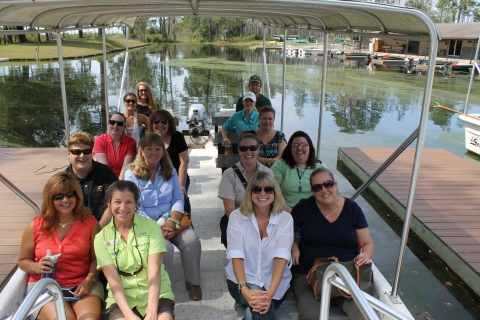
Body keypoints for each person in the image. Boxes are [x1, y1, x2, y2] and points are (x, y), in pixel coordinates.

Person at [123, 132, 202, 301]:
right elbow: (136, 207)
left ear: (162, 151)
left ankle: (193, 282)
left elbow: (178, 199)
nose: (154, 152)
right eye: (149, 148)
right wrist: (156, 228)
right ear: (141, 151)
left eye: (158, 148)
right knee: (166, 248)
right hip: (147, 224)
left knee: (192, 241)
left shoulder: (170, 170)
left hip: (172, 220)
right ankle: (162, 288)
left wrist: (172, 222)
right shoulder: (131, 174)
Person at [291, 167, 374, 320]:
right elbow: (286, 231)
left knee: (364, 315)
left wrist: (365, 256)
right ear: (312, 190)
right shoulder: (303, 207)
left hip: (346, 273)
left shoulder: (352, 209)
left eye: (328, 184)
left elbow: (367, 243)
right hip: (309, 273)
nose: (324, 190)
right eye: (318, 187)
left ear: (335, 184)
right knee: (311, 316)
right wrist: (293, 245)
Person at [18, 172, 102, 320]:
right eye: (58, 196)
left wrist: (89, 280)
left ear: (77, 196)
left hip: (81, 283)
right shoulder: (36, 225)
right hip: (44, 285)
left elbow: (97, 259)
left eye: (70, 194)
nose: (65, 200)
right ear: (50, 199)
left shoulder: (90, 223)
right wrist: (36, 267)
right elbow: (23, 261)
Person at [94, 180, 175, 320]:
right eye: (117, 202)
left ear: (137, 203)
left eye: (129, 202)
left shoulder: (152, 227)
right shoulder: (101, 238)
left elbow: (154, 271)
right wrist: (130, 316)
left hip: (156, 295)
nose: (123, 207)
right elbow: (114, 281)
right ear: (109, 203)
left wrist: (152, 312)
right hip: (122, 299)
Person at [226, 171, 293, 320]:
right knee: (260, 308)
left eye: (268, 189)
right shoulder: (237, 217)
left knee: (257, 311)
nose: (263, 193)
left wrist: (269, 294)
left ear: (275, 193)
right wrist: (244, 290)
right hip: (241, 281)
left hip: (275, 285)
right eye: (257, 189)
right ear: (250, 192)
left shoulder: (285, 219)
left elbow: (281, 258)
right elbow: (236, 255)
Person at [217, 131, 273, 248]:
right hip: (238, 223)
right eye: (244, 148)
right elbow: (230, 212)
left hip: (263, 222)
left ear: (258, 149)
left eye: (252, 148)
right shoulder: (229, 175)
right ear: (239, 151)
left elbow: (272, 204)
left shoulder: (267, 173)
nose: (248, 152)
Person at [65, 131, 118, 222]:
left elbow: (115, 202)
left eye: (87, 151)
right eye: (76, 152)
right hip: (75, 227)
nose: (82, 156)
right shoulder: (63, 179)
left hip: (104, 227)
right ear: (69, 154)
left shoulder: (105, 172)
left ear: (92, 153)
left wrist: (98, 231)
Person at [271, 131, 327, 213]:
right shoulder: (280, 165)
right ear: (290, 148)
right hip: (285, 212)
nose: (299, 148)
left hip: (315, 213)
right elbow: (272, 193)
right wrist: (291, 213)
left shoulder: (320, 168)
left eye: (304, 144)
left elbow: (328, 194)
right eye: (295, 145)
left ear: (310, 147)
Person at [148, 109, 191, 214]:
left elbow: (184, 162)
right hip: (153, 177)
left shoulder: (177, 137)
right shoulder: (147, 139)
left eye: (164, 122)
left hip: (175, 176)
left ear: (169, 123)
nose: (160, 125)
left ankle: (185, 220)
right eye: (156, 122)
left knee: (182, 198)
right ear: (151, 124)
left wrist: (181, 185)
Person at [93, 112, 137, 179]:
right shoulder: (99, 140)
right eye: (112, 122)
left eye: (119, 124)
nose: (115, 125)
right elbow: (104, 167)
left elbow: (126, 167)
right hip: (105, 177)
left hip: (124, 177)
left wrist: (119, 185)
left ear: (124, 127)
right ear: (108, 124)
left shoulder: (131, 142)